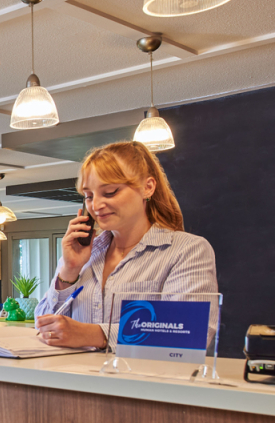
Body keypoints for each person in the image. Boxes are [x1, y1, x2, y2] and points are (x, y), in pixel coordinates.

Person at [34, 140, 217, 348]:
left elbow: (189, 331)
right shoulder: (83, 254)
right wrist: (69, 270)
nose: (96, 205)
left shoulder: (187, 250)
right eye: (88, 196)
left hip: (140, 371)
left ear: (148, 188)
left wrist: (94, 335)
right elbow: (42, 327)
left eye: (110, 192)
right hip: (72, 370)